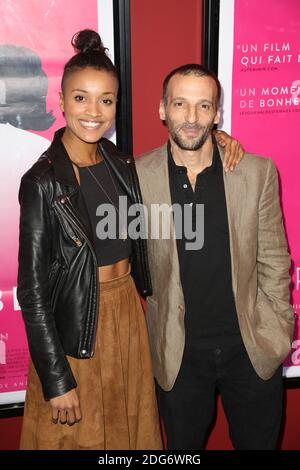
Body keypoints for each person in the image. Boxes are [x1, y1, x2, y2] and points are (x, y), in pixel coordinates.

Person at [135, 64, 294, 450]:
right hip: (179, 354)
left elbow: (275, 259)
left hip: (252, 348)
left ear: (217, 113)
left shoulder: (256, 172)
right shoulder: (135, 177)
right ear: (162, 109)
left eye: (203, 106)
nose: (191, 118)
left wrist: (278, 327)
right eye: (180, 104)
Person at [17, 29, 162, 450]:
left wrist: (218, 137)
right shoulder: (41, 181)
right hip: (76, 324)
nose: (94, 111)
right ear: (61, 102)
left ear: (117, 104)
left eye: (106, 99)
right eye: (80, 97)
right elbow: (33, 290)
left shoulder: (121, 163)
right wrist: (56, 377)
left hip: (126, 317)